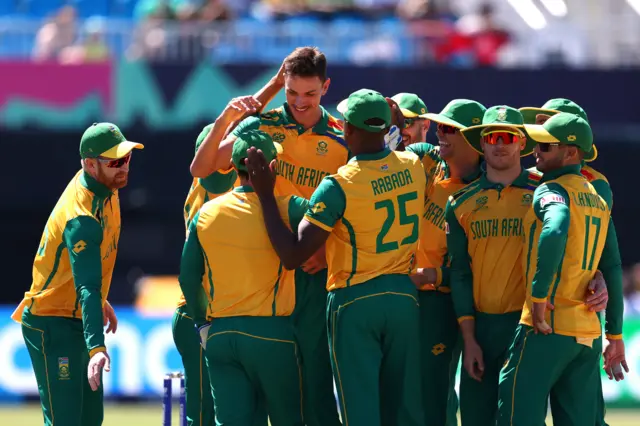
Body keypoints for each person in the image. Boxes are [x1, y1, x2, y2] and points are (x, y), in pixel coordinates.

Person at [246, 89, 426, 426]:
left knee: (361, 411)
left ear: (347, 129)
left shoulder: (339, 184)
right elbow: (399, 150)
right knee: (401, 410)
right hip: (404, 297)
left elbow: (293, 255)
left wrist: (266, 195)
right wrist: (397, 125)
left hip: (356, 300)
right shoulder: (413, 165)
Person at [190, 46, 345, 426]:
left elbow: (354, 202)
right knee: (262, 391)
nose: (300, 102)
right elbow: (203, 167)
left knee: (316, 383)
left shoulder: (343, 136)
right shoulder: (263, 124)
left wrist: (325, 248)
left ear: (325, 87)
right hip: (263, 268)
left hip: (311, 270)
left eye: (309, 94)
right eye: (292, 92)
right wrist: (237, 110)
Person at [11, 122, 143, 426]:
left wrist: (100, 300)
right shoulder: (81, 217)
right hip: (51, 324)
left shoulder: (106, 186)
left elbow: (87, 276)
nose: (124, 167)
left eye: (126, 158)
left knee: (90, 420)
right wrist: (97, 347)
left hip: (74, 315)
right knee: (66, 421)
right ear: (89, 164)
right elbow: (86, 286)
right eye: (115, 162)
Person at [497, 113, 620, 426]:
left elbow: (556, 226)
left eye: (547, 146)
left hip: (547, 325)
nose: (537, 151)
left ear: (571, 153)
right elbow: (614, 265)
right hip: (588, 335)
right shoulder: (598, 197)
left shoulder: (551, 188)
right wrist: (615, 334)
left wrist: (539, 295)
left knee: (516, 417)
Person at [179, 130, 304, 426]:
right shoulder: (291, 207)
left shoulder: (206, 214)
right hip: (273, 334)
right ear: (272, 168)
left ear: (234, 168)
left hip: (222, 336)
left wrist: (202, 324)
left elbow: (188, 278)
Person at [444, 105, 538, 426]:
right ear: (481, 143)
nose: (500, 143)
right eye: (492, 136)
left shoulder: (545, 193)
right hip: (480, 330)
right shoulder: (459, 203)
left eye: (508, 136)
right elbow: (459, 273)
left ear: (522, 142)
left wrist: (597, 275)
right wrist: (469, 338)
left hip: (527, 327)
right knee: (474, 419)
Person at [407, 99, 487, 426]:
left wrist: (433, 274)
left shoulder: (485, 191)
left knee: (434, 398)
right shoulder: (430, 160)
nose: (441, 133)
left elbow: (481, 264)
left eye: (450, 128)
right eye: (439, 126)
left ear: (474, 138)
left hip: (442, 302)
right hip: (407, 295)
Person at [173, 124, 238, 426]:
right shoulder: (215, 185)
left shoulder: (211, 188)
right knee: (204, 417)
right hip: (199, 313)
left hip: (208, 311)